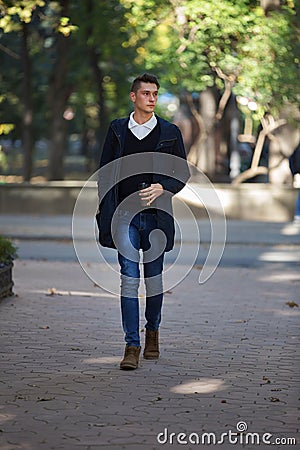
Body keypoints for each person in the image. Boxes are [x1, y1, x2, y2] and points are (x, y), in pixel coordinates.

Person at [97, 73, 190, 370]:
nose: (151, 98)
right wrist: (105, 214)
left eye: (155, 94)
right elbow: (105, 175)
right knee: (128, 279)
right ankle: (131, 345)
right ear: (133, 96)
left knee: (153, 280)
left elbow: (182, 174)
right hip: (124, 217)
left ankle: (152, 332)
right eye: (146, 93)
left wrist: (164, 186)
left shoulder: (170, 132)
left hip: (156, 219)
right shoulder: (117, 130)